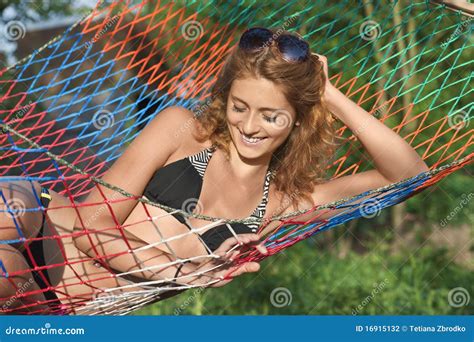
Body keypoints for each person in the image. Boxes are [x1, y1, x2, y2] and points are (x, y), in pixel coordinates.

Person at [0, 27, 429, 314]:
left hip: (51, 301)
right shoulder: (181, 131)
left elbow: (409, 176)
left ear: (297, 119)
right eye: (238, 107)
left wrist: (328, 94)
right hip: (43, 227)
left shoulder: (282, 203)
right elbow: (90, 226)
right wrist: (189, 271)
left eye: (270, 116)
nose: (248, 125)